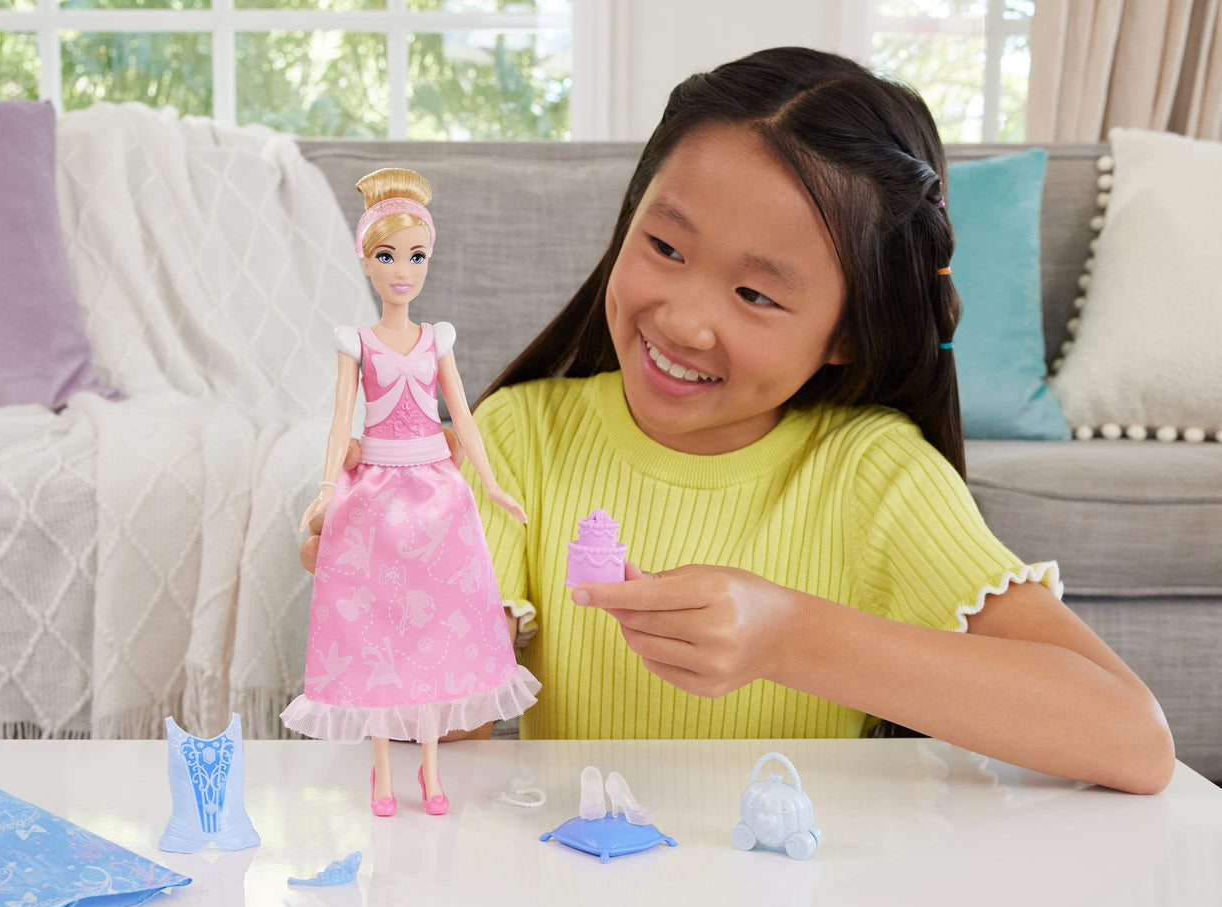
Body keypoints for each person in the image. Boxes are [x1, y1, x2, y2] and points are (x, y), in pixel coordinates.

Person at [302, 49, 1174, 795]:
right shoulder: (522, 438)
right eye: (665, 247)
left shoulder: (874, 475)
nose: (684, 320)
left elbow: (1131, 739)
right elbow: (440, 730)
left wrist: (787, 635)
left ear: (848, 332)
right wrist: (383, 563)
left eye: (756, 293)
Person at [281, 168, 540, 817]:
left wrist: (493, 485)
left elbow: (463, 417)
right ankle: (380, 774)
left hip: (436, 492)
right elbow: (342, 421)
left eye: (416, 256)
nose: (403, 271)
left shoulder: (436, 338)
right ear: (366, 260)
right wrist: (326, 488)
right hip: (373, 493)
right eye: (388, 256)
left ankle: (429, 772)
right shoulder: (356, 342)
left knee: (433, 634)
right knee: (375, 628)